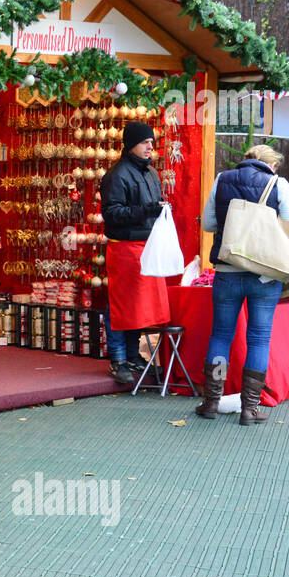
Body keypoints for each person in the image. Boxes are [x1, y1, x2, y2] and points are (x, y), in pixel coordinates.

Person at [196, 144, 289, 426]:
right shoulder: (279, 184)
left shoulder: (222, 179)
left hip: (227, 270)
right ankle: (249, 409)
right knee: (259, 339)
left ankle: (212, 402)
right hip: (264, 275)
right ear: (271, 165)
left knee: (220, 336)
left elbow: (208, 224)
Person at [99, 120, 171, 385]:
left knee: (139, 306)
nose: (150, 146)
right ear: (131, 145)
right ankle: (118, 359)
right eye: (144, 142)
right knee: (121, 305)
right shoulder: (117, 175)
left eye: (152, 142)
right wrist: (149, 210)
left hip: (148, 246)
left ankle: (133, 354)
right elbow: (111, 214)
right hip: (125, 247)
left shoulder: (152, 173)